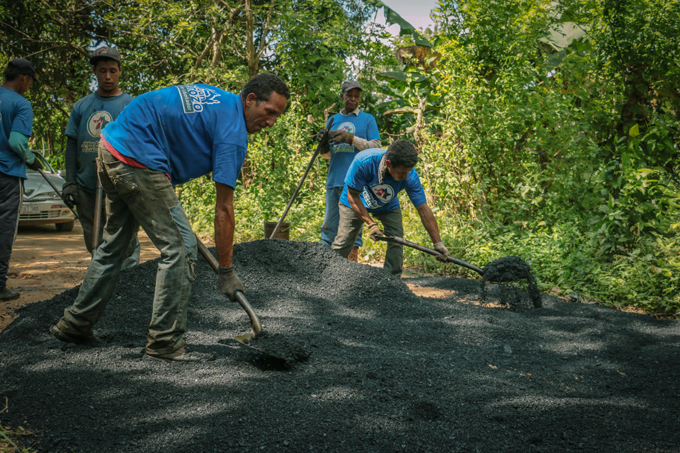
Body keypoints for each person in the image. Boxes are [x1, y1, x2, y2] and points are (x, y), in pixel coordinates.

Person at [52, 74, 290, 361]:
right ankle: (165, 341)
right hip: (136, 155)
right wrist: (226, 271)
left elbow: (172, 124)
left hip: (113, 147)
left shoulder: (220, 100)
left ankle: (74, 325)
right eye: (270, 112)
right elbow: (224, 209)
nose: (271, 122)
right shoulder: (234, 132)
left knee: (115, 247)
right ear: (251, 100)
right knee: (180, 249)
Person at [62, 46, 140, 266]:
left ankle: (128, 283)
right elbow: (72, 146)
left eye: (113, 70)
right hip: (86, 186)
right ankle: (101, 282)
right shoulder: (82, 106)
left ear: (120, 71)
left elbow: (139, 145)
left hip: (120, 186)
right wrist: (70, 182)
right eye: (103, 70)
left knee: (126, 238)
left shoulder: (130, 105)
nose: (108, 76)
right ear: (95, 71)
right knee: (94, 239)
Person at [331, 140, 449, 277]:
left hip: (387, 204)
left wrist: (438, 243)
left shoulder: (410, 176)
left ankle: (392, 281)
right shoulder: (364, 162)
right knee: (344, 240)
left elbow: (423, 209)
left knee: (396, 239)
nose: (405, 176)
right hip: (355, 201)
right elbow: (353, 196)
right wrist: (370, 224)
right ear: (388, 164)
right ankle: (332, 275)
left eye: (408, 172)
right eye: (401, 172)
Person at [320, 81, 380, 262]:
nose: (353, 99)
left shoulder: (367, 119)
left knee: (353, 225)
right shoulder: (333, 121)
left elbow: (376, 147)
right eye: (349, 95)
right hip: (334, 179)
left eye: (356, 96)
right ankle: (325, 262)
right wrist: (323, 143)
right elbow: (327, 155)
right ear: (342, 97)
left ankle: (351, 263)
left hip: (356, 182)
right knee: (330, 224)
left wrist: (351, 138)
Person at [0, 58, 42, 302]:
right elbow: (17, 142)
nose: (29, 87)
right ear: (23, 78)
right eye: (29, 83)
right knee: (5, 229)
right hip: (7, 174)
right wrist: (30, 159)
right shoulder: (21, 104)